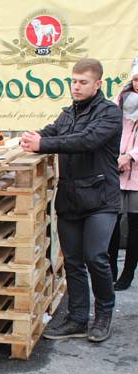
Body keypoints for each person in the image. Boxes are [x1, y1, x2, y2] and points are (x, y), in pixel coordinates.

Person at [22, 58, 122, 343]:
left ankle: (103, 314)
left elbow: (85, 141)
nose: (76, 87)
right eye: (73, 81)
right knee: (74, 262)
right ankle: (78, 318)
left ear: (98, 84)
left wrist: (44, 143)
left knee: (96, 258)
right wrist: (33, 137)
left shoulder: (110, 114)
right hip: (70, 198)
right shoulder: (68, 113)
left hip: (102, 199)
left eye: (82, 82)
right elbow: (53, 131)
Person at [107, 60, 138, 291]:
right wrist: (117, 156)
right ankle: (110, 270)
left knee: (136, 224)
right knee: (112, 220)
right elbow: (112, 130)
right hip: (117, 169)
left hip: (135, 170)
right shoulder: (121, 101)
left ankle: (128, 273)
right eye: (136, 79)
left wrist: (131, 156)